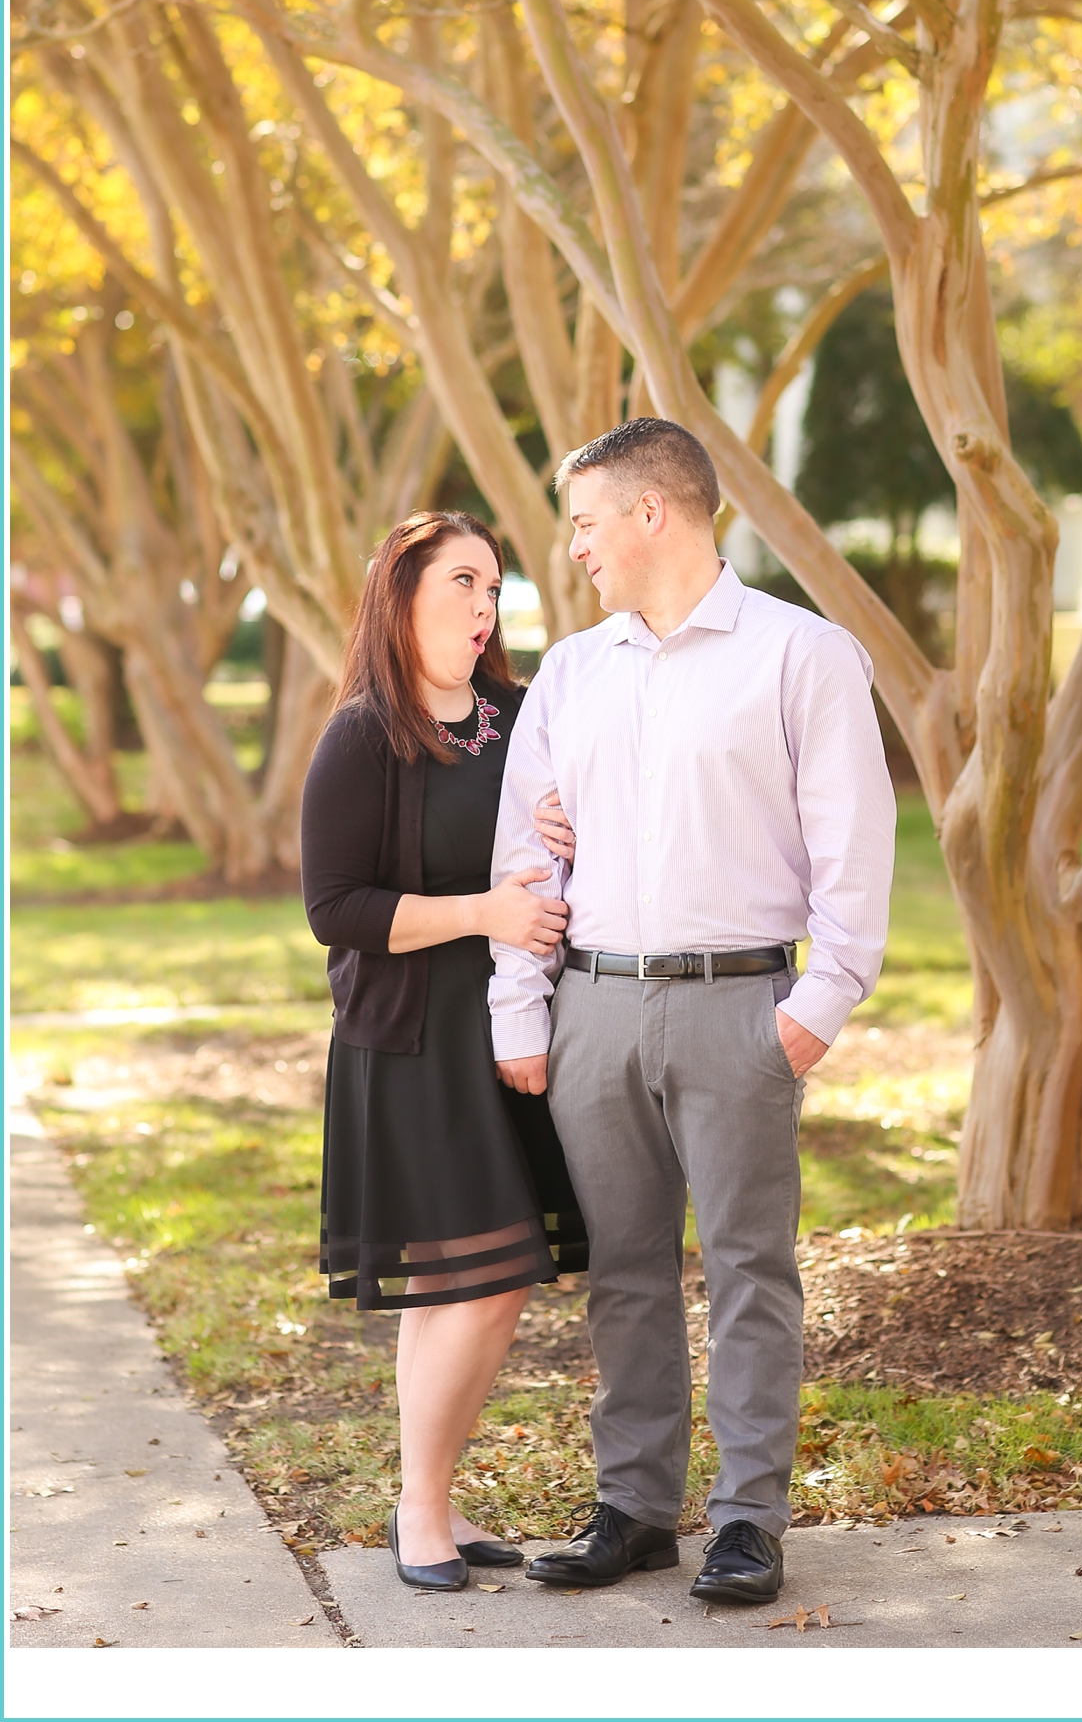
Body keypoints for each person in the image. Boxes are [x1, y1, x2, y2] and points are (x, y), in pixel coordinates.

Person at [488, 419, 895, 1605]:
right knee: (622, 1268)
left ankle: (748, 1521)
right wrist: (524, 1014)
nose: (575, 551)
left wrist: (815, 1005)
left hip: (741, 1010)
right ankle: (634, 1508)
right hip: (596, 1010)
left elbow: (855, 852)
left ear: (651, 514)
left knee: (749, 1268)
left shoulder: (801, 655)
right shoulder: (572, 670)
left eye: (584, 522)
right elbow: (531, 856)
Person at [301, 510, 587, 1594]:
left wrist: (569, 827)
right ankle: (420, 1506)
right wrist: (482, 914)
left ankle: (433, 1496)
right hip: (413, 1040)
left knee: (462, 1286)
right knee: (485, 1279)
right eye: (464, 583)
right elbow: (336, 907)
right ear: (402, 594)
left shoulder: (517, 714)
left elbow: (551, 846)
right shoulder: (364, 735)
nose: (485, 608)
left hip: (515, 1029)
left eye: (496, 589)